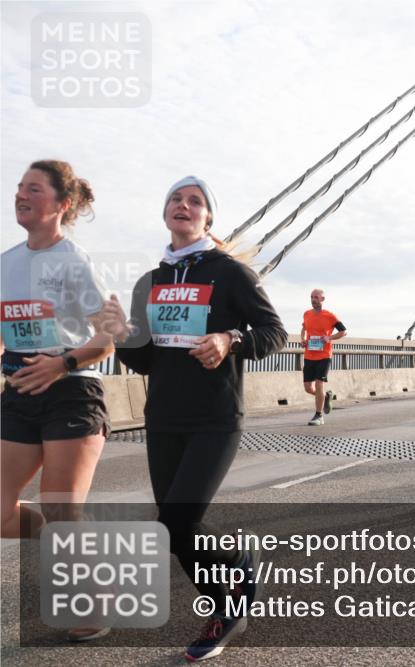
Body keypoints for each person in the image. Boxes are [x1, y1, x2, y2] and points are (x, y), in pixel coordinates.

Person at [99, 176, 287, 661]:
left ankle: (235, 579)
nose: (184, 205)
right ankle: (229, 603)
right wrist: (121, 333)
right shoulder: (151, 282)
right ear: (166, 214)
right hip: (163, 417)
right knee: (173, 532)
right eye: (176, 200)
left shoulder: (229, 274)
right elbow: (145, 361)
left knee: (181, 522)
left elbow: (274, 332)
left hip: (215, 417)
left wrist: (231, 340)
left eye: (195, 201)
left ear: (208, 219)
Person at [1, 160, 114, 642]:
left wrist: (62, 363)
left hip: (71, 390)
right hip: (20, 390)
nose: (21, 195)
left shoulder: (75, 260)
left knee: (61, 506)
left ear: (61, 205)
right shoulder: (5, 261)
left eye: (34, 188)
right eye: (19, 187)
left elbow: (109, 336)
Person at [301, 289, 346, 425]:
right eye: (311, 297)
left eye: (316, 297)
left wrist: (329, 337)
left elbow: (343, 331)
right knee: (308, 388)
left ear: (322, 299)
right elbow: (304, 328)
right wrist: (302, 338)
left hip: (324, 355)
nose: (313, 299)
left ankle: (319, 415)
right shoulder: (307, 314)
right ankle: (326, 397)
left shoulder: (330, 316)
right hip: (309, 354)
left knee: (319, 384)